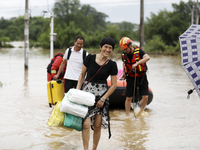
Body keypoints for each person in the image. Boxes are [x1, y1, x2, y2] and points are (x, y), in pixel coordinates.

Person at [76, 37, 118, 150]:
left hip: (101, 97)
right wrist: (77, 91)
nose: (108, 49)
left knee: (97, 126)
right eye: (106, 46)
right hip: (86, 96)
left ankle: (94, 149)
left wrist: (103, 99)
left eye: (110, 48)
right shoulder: (89, 58)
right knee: (85, 125)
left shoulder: (112, 65)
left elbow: (114, 85)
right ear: (100, 47)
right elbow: (82, 75)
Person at [119, 37, 150, 116]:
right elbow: (125, 64)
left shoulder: (139, 51)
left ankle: (140, 112)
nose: (125, 51)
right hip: (130, 76)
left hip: (141, 76)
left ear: (130, 45)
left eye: (126, 49)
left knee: (145, 96)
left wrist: (137, 63)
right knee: (128, 97)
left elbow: (147, 57)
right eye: (124, 49)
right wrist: (124, 72)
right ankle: (127, 116)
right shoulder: (124, 54)